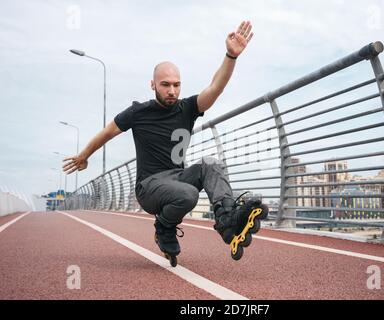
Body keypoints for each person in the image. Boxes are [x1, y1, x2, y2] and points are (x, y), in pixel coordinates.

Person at [63, 21, 267, 266]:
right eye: (165, 85)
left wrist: (231, 56)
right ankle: (164, 226)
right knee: (188, 194)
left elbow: (215, 87)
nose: (172, 90)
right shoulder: (138, 112)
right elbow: (106, 133)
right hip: (149, 187)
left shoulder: (188, 108)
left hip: (178, 177)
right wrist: (84, 155)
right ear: (153, 85)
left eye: (176, 85)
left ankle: (227, 220)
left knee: (211, 164)